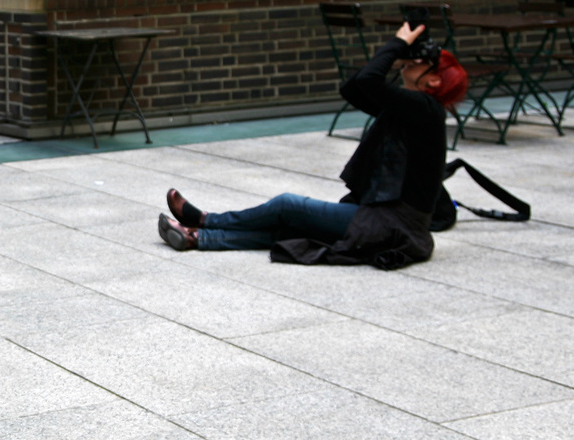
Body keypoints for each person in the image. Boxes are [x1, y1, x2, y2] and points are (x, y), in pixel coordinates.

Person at [157, 22, 469, 269]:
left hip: (393, 225)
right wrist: (398, 56)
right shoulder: (409, 110)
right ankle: (199, 239)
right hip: (380, 216)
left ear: (434, 81)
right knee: (291, 227)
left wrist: (397, 45)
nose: (411, 62)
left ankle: (206, 220)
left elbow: (369, 82)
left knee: (287, 205)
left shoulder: (426, 111)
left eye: (421, 62)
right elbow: (355, 87)